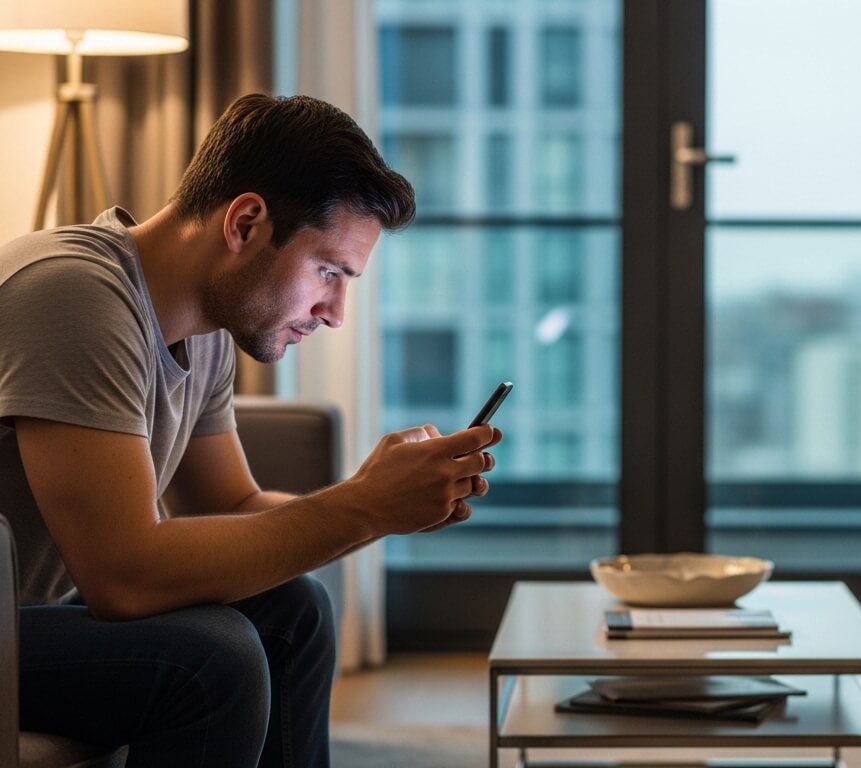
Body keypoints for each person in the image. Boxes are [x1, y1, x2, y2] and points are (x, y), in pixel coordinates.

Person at [0, 94, 500, 767]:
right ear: (246, 223)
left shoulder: (201, 331)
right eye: (329, 272)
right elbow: (125, 577)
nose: (335, 312)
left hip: (22, 624)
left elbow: (232, 509)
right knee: (214, 661)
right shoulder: (72, 294)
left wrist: (381, 503)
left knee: (294, 610)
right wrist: (360, 507)